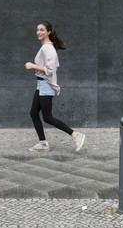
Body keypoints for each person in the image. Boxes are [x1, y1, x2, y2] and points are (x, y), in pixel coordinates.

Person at [25, 21, 85, 152]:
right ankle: (43, 143)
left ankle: (75, 135)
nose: (39, 32)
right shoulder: (45, 47)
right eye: (37, 30)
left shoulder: (48, 48)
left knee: (48, 117)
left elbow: (50, 70)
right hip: (41, 84)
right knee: (34, 113)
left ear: (48, 32)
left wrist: (32, 65)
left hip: (46, 85)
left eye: (42, 30)